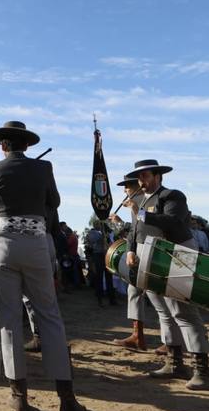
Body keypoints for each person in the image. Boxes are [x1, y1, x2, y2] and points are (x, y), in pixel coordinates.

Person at [0, 121, 86, 411]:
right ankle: (66, 399)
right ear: (27, 145)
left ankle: (19, 398)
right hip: (36, 242)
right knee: (49, 315)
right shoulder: (44, 168)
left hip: (3, 245)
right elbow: (56, 202)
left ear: (3, 146)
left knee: (9, 319)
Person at [126, 159, 209, 389]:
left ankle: (202, 369)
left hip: (177, 256)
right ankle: (175, 363)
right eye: (139, 176)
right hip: (149, 259)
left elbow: (172, 222)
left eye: (145, 175)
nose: (141, 181)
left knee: (183, 312)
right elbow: (134, 230)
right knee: (163, 311)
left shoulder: (173, 196)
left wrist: (141, 214)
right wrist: (131, 250)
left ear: (158, 176)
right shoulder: (140, 201)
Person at [110, 174, 147, 350]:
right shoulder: (138, 201)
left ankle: (142, 337)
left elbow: (140, 230)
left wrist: (120, 223)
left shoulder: (140, 201)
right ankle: (138, 336)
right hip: (140, 252)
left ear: (135, 187)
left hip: (147, 253)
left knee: (160, 300)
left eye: (127, 186)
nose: (125, 190)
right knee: (135, 292)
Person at [86, 224, 116, 307]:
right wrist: (101, 235)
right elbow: (91, 241)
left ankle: (112, 299)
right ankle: (100, 300)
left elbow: (111, 243)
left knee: (109, 278)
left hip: (107, 256)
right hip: (98, 256)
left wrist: (106, 235)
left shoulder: (108, 234)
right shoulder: (94, 233)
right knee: (99, 278)